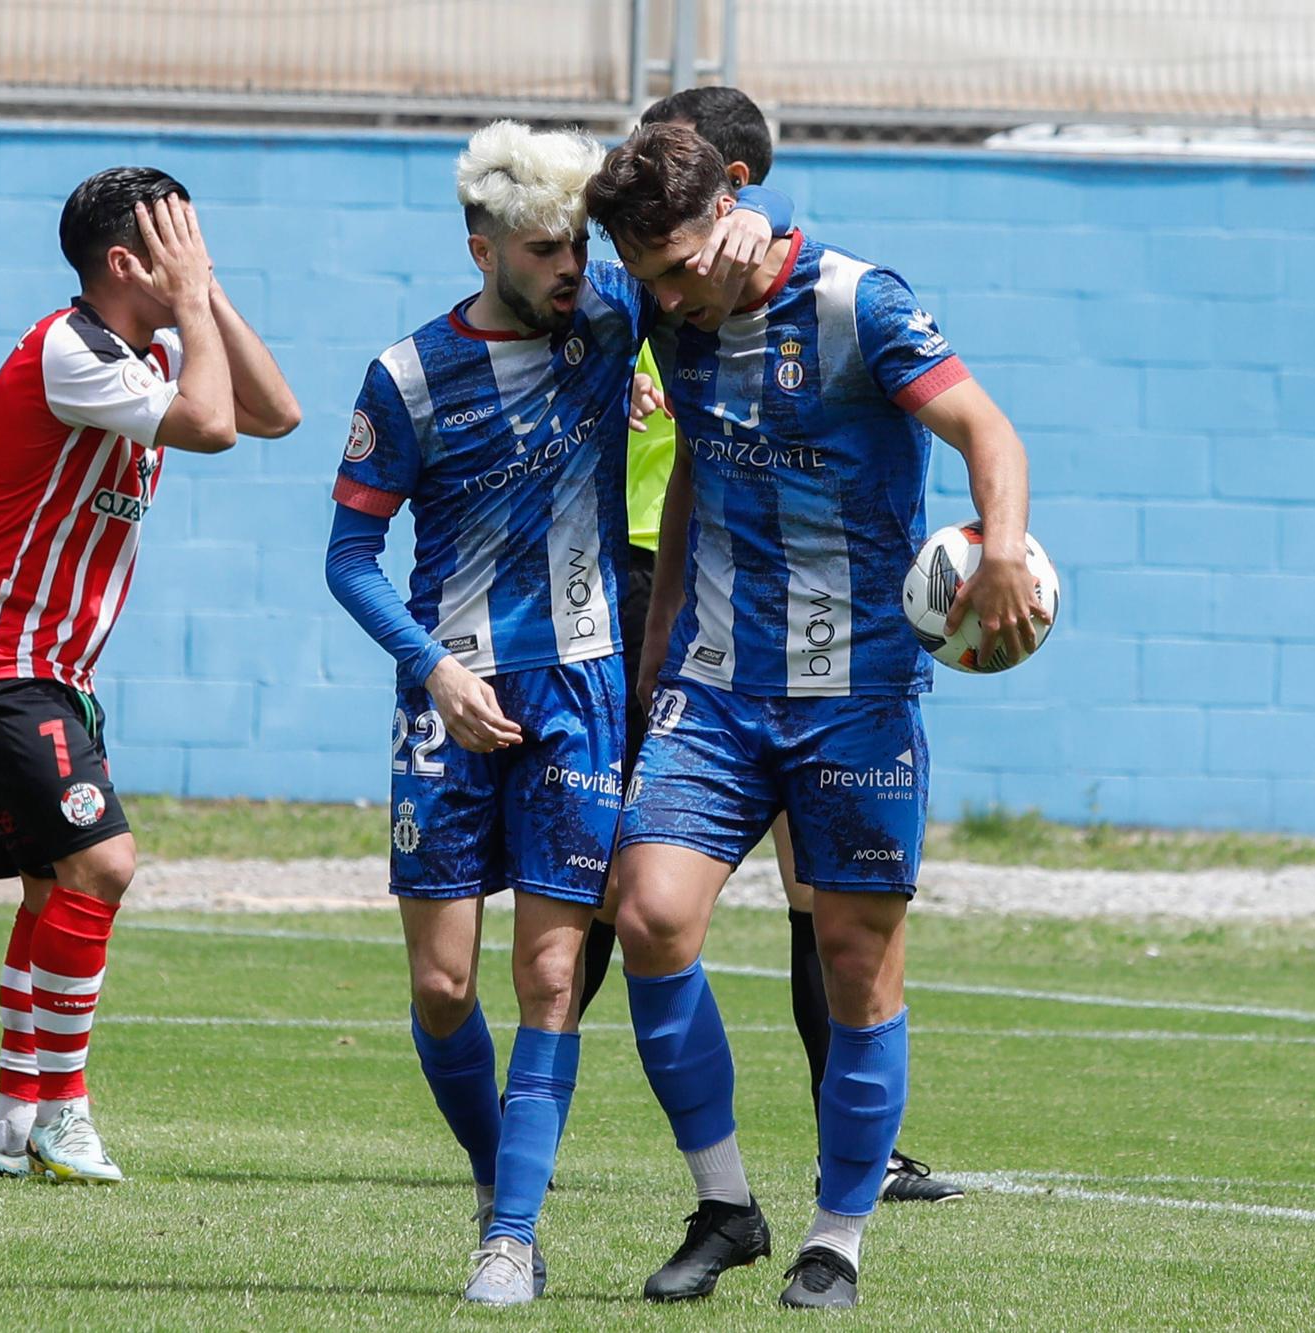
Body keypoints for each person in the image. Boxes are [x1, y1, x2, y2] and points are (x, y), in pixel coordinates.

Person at [584, 123, 1046, 1309]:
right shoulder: (669, 317)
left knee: (854, 963)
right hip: (718, 685)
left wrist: (998, 555)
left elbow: (987, 430)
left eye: (681, 265)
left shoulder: (859, 305)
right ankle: (726, 1204)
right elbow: (688, 467)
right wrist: (655, 646)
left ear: (736, 200)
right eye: (647, 279)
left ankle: (836, 1237)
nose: (668, 294)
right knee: (647, 914)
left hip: (859, 696)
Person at [324, 120, 784, 1308]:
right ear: (479, 245)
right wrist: (431, 668)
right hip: (449, 697)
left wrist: (740, 218)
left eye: (577, 246)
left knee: (544, 974)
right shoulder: (408, 376)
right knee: (439, 987)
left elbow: (715, 264)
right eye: (542, 250)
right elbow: (350, 555)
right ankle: (495, 1180)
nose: (570, 269)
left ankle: (510, 1237)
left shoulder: (611, 329)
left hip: (579, 691)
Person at [0, 167, 299, 1186]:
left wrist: (200, 295)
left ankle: (12, 1117)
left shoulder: (144, 346)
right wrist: (188, 306)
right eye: (177, 245)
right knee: (104, 862)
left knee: (52, 882)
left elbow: (275, 412)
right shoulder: (70, 352)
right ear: (125, 263)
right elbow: (214, 425)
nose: (195, 259)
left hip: (45, 669)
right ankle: (64, 1112)